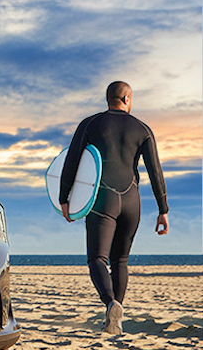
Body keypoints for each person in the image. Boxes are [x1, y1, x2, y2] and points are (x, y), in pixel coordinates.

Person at [59, 81, 168, 335]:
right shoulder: (142, 129)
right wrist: (163, 210)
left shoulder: (89, 124)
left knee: (97, 258)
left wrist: (64, 199)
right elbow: (155, 172)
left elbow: (72, 161)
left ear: (108, 98)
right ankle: (115, 320)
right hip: (132, 200)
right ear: (127, 98)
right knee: (121, 260)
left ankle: (110, 304)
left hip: (102, 200)